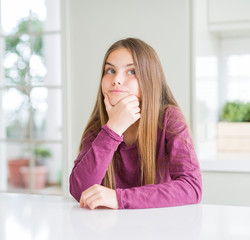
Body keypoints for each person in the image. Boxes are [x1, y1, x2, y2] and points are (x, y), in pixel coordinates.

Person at [69, 38, 202, 210]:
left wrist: (119, 198)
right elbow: (80, 190)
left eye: (131, 72)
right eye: (110, 70)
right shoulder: (99, 127)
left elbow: (192, 188)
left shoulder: (170, 118)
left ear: (149, 79)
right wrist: (113, 129)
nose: (116, 80)